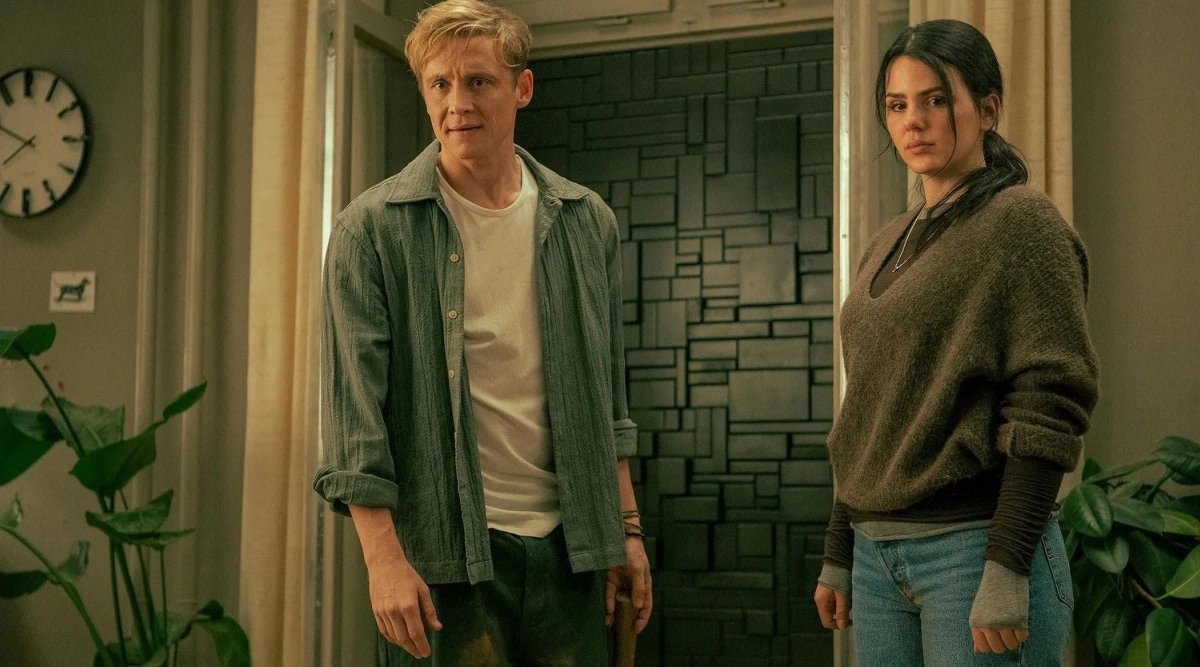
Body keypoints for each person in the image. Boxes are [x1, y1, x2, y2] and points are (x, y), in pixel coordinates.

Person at [313, 1, 652, 664]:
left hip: (574, 549)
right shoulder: (371, 230)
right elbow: (356, 420)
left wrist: (627, 532)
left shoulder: (586, 222)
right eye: (439, 84)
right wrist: (383, 561)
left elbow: (606, 402)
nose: (457, 103)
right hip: (446, 556)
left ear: (521, 88)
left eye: (478, 81)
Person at [812, 18, 1099, 666]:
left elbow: (1050, 400)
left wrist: (1007, 563)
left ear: (988, 110)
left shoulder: (1021, 221)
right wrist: (840, 547)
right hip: (877, 558)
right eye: (897, 105)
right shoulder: (887, 240)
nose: (914, 121)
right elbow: (870, 408)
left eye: (935, 100)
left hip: (973, 551)